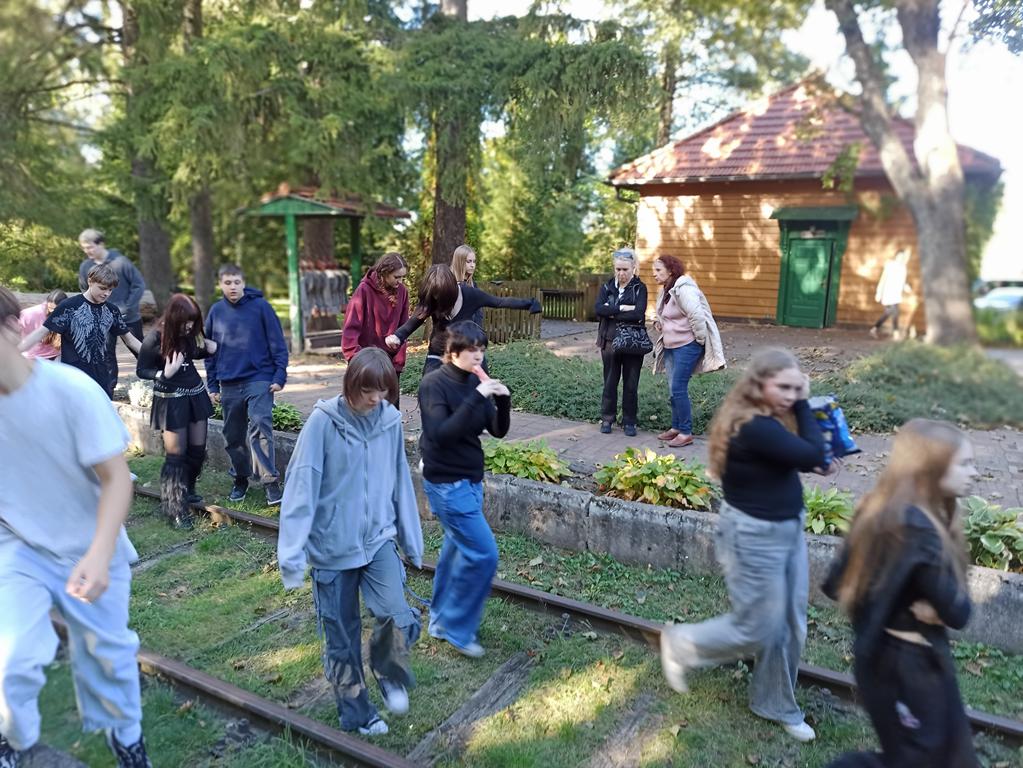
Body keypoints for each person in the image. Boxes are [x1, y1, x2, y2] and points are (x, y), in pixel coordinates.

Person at [0, 285, 153, 768]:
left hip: (90, 542)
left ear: (12, 329)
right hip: (18, 544)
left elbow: (116, 480)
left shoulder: (71, 390)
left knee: (109, 658)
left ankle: (126, 738)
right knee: (12, 659)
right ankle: (14, 743)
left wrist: (99, 553)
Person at [659, 348, 826, 743]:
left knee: (790, 625)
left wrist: (811, 454)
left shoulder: (770, 418)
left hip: (787, 528)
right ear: (759, 384)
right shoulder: (753, 425)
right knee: (757, 628)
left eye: (796, 388)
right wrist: (805, 406)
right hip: (754, 536)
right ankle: (681, 644)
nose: (791, 396)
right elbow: (811, 454)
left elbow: (797, 459)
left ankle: (775, 703)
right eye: (783, 388)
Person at [278, 347, 423, 737]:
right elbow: (301, 486)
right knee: (341, 638)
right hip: (332, 548)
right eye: (367, 391)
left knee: (398, 614)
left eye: (382, 391)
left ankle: (388, 669)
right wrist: (291, 553)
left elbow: (399, 480)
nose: (375, 399)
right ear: (350, 385)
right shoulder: (322, 423)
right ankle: (359, 714)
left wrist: (410, 538)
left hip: (377, 540)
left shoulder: (389, 422)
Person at [823, 419, 978, 768]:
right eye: (965, 464)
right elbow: (959, 613)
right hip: (909, 669)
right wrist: (915, 603)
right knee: (919, 759)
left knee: (953, 757)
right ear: (932, 468)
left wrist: (894, 593)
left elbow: (834, 584)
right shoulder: (919, 527)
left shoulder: (877, 508)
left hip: (889, 660)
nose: (975, 473)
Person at [418, 321, 510, 658]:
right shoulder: (433, 384)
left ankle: (441, 621)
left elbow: (497, 430)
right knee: (485, 554)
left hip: (470, 482)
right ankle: (457, 629)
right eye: (473, 350)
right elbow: (441, 434)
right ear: (454, 352)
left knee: (455, 551)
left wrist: (503, 402)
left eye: (482, 350)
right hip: (446, 485)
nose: (479, 356)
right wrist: (477, 396)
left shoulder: (475, 383)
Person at [204, 264, 289, 506]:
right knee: (233, 434)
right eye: (227, 283)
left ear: (243, 283)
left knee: (260, 424)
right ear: (220, 284)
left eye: (236, 282)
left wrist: (279, 375)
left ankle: (270, 481)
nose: (232, 287)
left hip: (259, 377)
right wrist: (212, 385)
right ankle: (240, 478)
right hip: (229, 382)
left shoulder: (261, 307)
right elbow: (209, 351)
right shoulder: (216, 311)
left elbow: (277, 343)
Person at [136, 294, 217, 529]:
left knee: (197, 451)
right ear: (174, 318)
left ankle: (187, 489)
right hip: (170, 399)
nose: (189, 326)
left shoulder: (190, 334)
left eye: (193, 321)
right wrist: (163, 374)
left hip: (195, 394)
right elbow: (142, 369)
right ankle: (175, 508)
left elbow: (193, 352)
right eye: (185, 322)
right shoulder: (155, 338)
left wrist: (209, 348)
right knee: (176, 456)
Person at [385, 263, 541, 378]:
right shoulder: (430, 298)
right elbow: (415, 320)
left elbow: (499, 302)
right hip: (438, 353)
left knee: (480, 392)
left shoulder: (471, 295)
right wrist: (398, 336)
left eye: (442, 297)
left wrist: (530, 303)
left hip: (467, 352)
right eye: (435, 297)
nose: (439, 300)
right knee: (429, 388)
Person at [19, 264, 142, 398]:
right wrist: (14, 351)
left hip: (101, 378)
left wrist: (155, 355)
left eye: (110, 290)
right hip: (73, 377)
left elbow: (130, 340)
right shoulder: (69, 306)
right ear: (90, 281)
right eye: (102, 288)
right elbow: (40, 333)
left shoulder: (112, 310)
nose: (106, 293)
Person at [652, 255, 725, 448]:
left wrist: (698, 340)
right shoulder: (666, 291)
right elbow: (668, 316)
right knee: (672, 389)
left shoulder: (684, 289)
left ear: (671, 271)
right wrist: (659, 322)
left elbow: (696, 315)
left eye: (658, 270)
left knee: (678, 387)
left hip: (687, 345)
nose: (654, 274)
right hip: (670, 346)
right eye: (654, 270)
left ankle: (686, 432)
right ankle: (676, 427)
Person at [78, 229, 146, 384]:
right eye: (84, 248)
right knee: (106, 354)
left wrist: (127, 307)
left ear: (101, 244)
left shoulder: (121, 262)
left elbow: (138, 285)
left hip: (128, 317)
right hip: (103, 317)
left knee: (140, 351)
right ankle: (109, 388)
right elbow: (84, 289)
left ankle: (158, 380)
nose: (87, 251)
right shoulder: (86, 266)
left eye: (90, 247)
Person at [341, 252, 409, 405]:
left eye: (403, 277)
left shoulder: (402, 292)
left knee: (389, 410)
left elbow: (404, 328)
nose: (400, 281)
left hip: (389, 364)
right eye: (396, 277)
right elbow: (350, 329)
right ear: (384, 273)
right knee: (364, 409)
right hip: (366, 363)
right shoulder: (364, 290)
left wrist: (398, 361)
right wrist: (357, 359)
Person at [595, 248, 648, 437]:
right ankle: (607, 419)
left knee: (631, 385)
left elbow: (638, 313)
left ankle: (629, 421)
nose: (621, 273)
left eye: (625, 269)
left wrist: (611, 310)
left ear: (634, 268)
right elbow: (598, 310)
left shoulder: (640, 288)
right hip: (609, 341)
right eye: (618, 269)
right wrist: (623, 308)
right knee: (609, 382)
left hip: (632, 343)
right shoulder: (607, 287)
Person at [870, 249, 910, 339]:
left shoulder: (903, 267)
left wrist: (906, 287)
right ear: (896, 256)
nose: (901, 258)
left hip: (896, 294)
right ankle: (896, 333)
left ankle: (874, 329)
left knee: (888, 313)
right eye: (899, 256)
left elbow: (902, 281)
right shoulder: (890, 265)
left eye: (902, 257)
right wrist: (878, 292)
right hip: (888, 293)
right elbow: (883, 279)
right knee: (895, 312)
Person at [18, 289, 67, 360]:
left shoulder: (66, 313)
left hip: (54, 355)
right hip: (32, 356)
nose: (53, 311)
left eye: (56, 309)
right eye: (51, 308)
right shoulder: (28, 314)